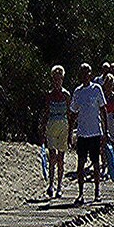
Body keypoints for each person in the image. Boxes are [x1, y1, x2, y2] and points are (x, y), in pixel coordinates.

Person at [68, 63, 110, 203]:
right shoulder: (77, 92)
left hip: (95, 132)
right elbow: (73, 113)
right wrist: (70, 132)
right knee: (80, 163)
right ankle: (81, 193)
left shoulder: (96, 89)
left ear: (90, 74)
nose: (85, 75)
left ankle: (97, 192)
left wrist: (105, 131)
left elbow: (103, 109)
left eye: (87, 73)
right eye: (83, 73)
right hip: (82, 133)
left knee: (96, 162)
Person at [40, 64, 71, 197]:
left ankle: (59, 185)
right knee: (52, 157)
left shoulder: (66, 95)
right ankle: (51, 184)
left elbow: (69, 114)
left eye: (59, 79)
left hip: (63, 126)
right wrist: (42, 129)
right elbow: (46, 112)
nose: (57, 82)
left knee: (61, 158)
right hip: (52, 126)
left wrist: (70, 132)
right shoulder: (49, 95)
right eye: (55, 79)